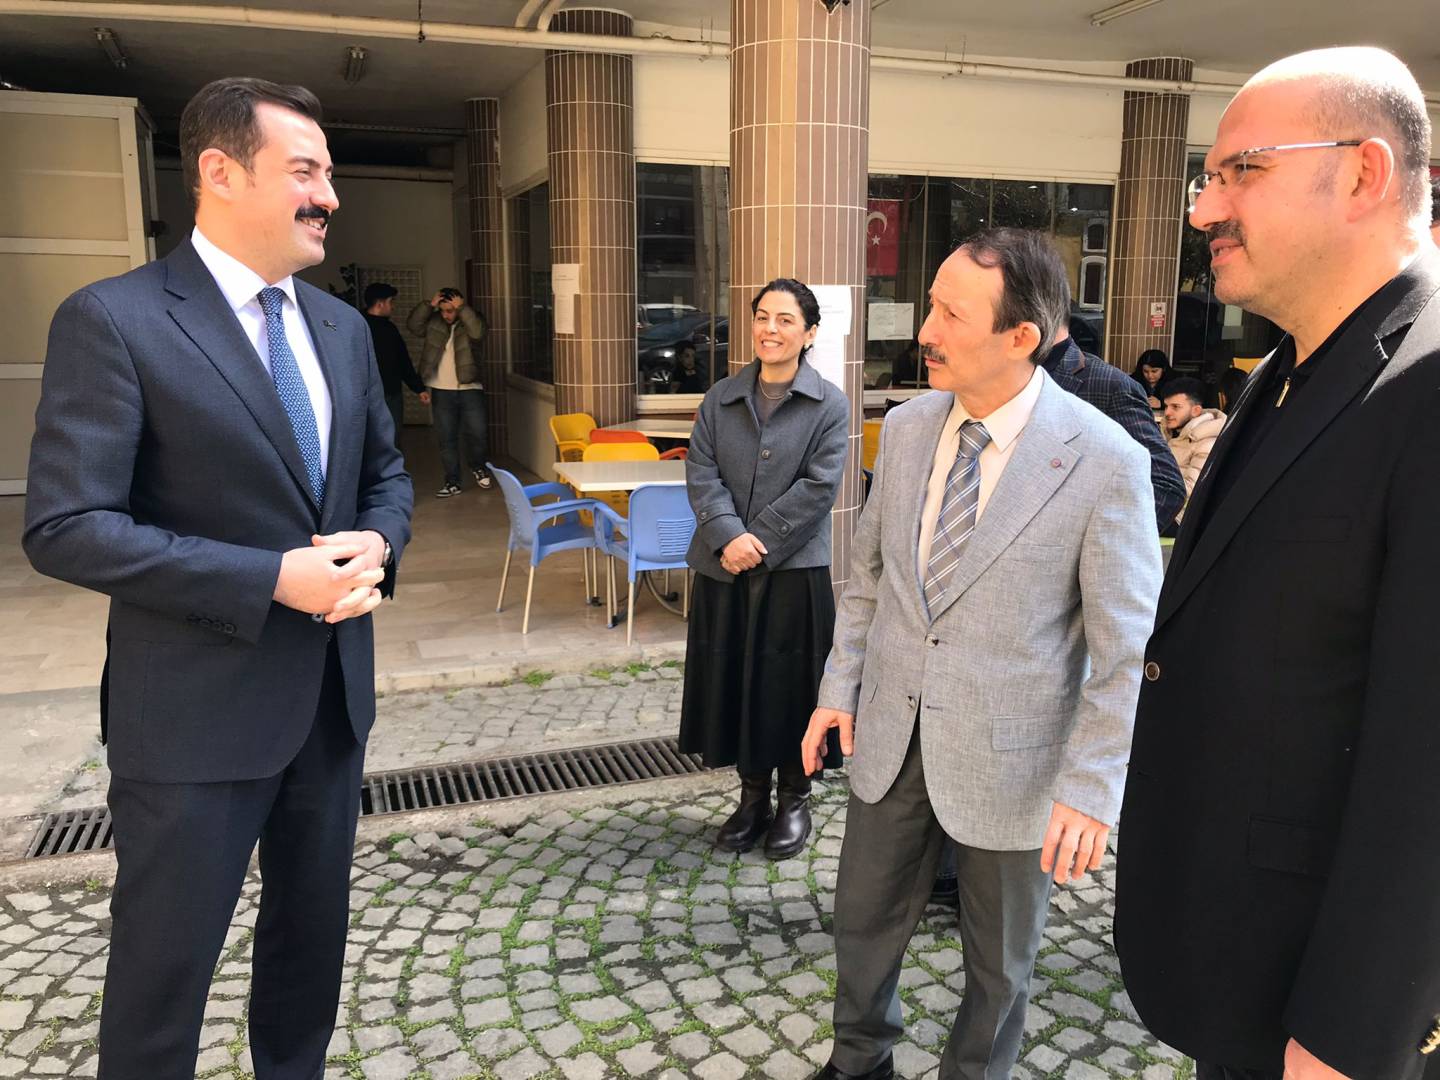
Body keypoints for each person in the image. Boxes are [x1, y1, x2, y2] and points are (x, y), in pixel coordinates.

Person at [22, 77, 414, 1079]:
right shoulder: (115, 319)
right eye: (306, 172)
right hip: (191, 719)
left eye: (329, 173)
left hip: (329, 707)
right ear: (220, 172)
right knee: (164, 974)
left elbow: (384, 475)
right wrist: (268, 579)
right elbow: (66, 527)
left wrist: (379, 542)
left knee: (309, 954)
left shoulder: (341, 331)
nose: (329, 196)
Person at [1113, 47, 1440, 1080]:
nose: (1205, 208)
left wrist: (1351, 1034)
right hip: (1248, 963)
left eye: (1241, 171)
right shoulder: (1292, 366)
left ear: (1364, 173)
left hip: (1327, 1023)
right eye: (1206, 177)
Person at [801, 229, 1160, 1080]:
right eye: (930, 305)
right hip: (892, 733)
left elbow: (1125, 648)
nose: (925, 331)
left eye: (951, 314)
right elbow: (871, 579)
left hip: (1015, 760)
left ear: (1020, 337)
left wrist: (1091, 786)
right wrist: (838, 689)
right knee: (861, 922)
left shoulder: (1104, 460)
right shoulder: (907, 427)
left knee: (999, 966)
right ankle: (859, 1062)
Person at [680, 278, 848, 861]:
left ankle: (795, 796)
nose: (769, 329)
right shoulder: (720, 397)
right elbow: (700, 471)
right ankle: (751, 796)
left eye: (784, 320)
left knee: (790, 686)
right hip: (723, 568)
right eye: (761, 317)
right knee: (733, 680)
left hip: (794, 571)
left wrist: (760, 542)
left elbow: (820, 486)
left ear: (809, 333)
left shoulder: (829, 404)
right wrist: (729, 537)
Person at [407, 286, 489, 496]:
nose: (446, 315)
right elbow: (413, 326)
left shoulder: (472, 318)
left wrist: (463, 309)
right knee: (447, 438)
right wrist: (429, 305)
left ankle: (478, 467)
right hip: (441, 389)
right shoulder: (434, 321)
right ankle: (452, 481)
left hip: (470, 387)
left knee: (478, 433)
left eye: (450, 310)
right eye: (443, 310)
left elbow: (478, 332)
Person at [362, 282, 429, 445]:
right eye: (391, 301)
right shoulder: (360, 327)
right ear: (380, 303)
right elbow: (403, 361)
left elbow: (402, 360)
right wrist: (418, 388)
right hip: (373, 394)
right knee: (380, 438)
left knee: (391, 436)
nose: (393, 306)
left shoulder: (387, 328)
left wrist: (418, 388)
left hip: (387, 392)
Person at [1161, 376, 1224, 519]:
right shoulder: (1168, 433)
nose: (1167, 413)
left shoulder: (1207, 442)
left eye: (1175, 407)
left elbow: (1190, 489)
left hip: (1180, 518)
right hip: (1162, 507)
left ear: (1196, 410)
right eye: (1166, 406)